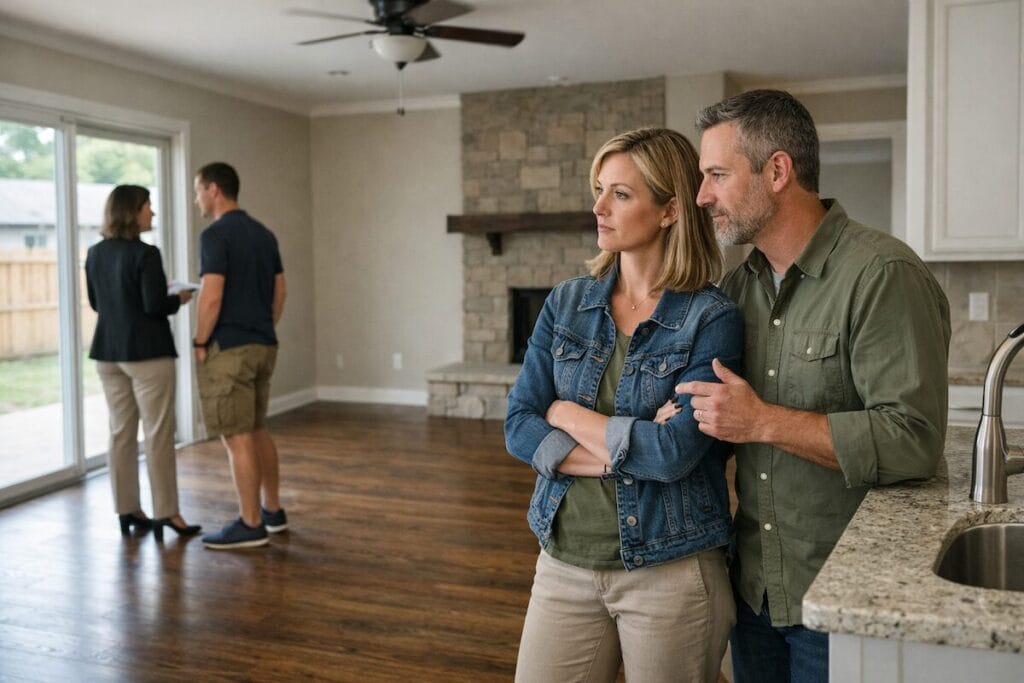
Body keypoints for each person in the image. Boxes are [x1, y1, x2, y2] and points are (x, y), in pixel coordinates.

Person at [677, 89, 951, 682]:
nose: (703, 196)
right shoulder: (734, 289)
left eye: (717, 175)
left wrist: (762, 421)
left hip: (843, 596)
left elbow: (913, 440)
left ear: (777, 171)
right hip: (755, 589)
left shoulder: (883, 275)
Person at [505, 127, 742, 683]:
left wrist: (564, 414)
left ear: (669, 210)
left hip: (672, 569)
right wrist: (622, 447)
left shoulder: (711, 318)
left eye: (621, 193)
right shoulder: (566, 302)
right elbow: (518, 424)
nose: (598, 207)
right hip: (563, 559)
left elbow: (673, 454)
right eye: (599, 189)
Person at [85, 184, 201, 543]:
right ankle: (168, 513)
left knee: (121, 433)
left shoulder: (94, 253)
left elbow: (96, 303)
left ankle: (128, 510)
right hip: (148, 354)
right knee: (158, 434)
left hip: (108, 354)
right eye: (148, 205)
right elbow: (154, 306)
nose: (152, 212)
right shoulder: (146, 254)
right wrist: (178, 298)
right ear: (132, 212)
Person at [192, 162, 287, 550]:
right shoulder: (264, 234)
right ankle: (272, 511)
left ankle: (250, 524)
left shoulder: (215, 235)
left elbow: (211, 295)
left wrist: (200, 341)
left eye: (197, 191)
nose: (196, 199)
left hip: (229, 350)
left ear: (214, 190)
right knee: (257, 427)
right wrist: (263, 326)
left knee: (237, 436)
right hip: (264, 343)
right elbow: (280, 293)